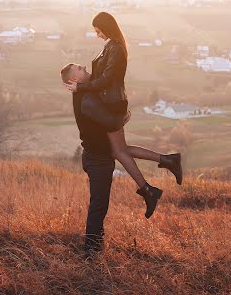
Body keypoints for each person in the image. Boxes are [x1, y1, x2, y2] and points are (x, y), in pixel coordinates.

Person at [63, 12, 183, 222]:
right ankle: (166, 164)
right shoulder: (111, 46)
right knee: (121, 150)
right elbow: (103, 77)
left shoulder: (117, 48)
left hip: (113, 103)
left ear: (105, 27)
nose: (97, 35)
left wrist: (82, 87)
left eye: (98, 30)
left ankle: (151, 186)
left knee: (119, 151)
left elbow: (108, 79)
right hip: (110, 102)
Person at [61, 60, 130, 257]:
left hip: (96, 156)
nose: (84, 67)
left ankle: (97, 245)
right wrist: (125, 116)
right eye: (80, 69)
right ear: (74, 79)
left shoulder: (84, 93)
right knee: (98, 205)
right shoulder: (86, 99)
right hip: (97, 159)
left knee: (99, 203)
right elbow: (110, 123)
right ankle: (91, 251)